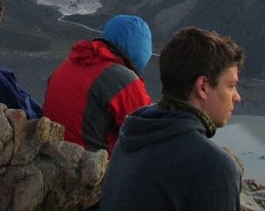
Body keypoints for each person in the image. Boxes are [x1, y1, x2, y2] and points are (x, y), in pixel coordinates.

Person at [99, 26, 245, 211]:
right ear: (203, 87)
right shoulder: (213, 167)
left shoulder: (130, 136)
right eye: (231, 86)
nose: (237, 97)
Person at [43, 14, 153, 153]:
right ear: (141, 52)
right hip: (88, 166)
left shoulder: (71, 62)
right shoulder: (125, 81)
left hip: (48, 154)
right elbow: (147, 135)